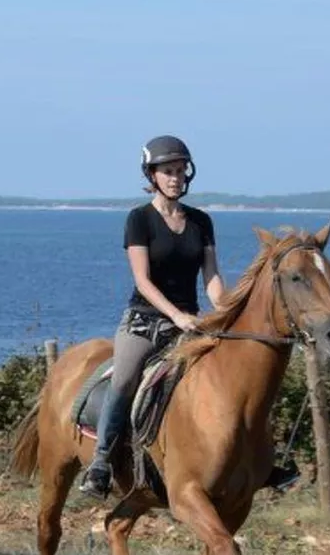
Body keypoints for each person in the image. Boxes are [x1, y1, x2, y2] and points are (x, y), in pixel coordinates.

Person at [79, 136, 225, 500]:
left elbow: (211, 278)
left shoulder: (201, 221)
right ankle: (101, 462)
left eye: (180, 171)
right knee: (125, 378)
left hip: (189, 324)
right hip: (144, 323)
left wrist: (226, 311)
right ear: (152, 176)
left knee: (230, 374)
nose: (175, 178)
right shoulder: (139, 219)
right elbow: (143, 281)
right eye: (168, 171)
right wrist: (176, 315)